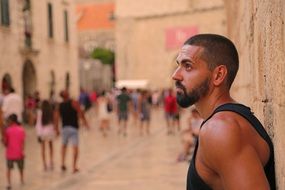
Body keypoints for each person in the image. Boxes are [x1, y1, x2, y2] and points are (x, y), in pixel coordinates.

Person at [172, 34, 275, 189]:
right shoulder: (226, 122)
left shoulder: (221, 129)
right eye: (178, 65)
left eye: (188, 66)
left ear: (218, 75)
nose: (175, 75)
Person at [56, 90, 89, 173]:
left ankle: (63, 163)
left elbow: (56, 117)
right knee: (75, 147)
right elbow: (80, 112)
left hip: (64, 128)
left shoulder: (60, 105)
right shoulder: (73, 102)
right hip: (73, 127)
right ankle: (74, 166)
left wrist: (56, 129)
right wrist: (85, 123)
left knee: (64, 146)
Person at [35, 100, 59, 171]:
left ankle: (44, 164)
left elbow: (38, 124)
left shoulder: (40, 113)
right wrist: (56, 130)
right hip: (50, 131)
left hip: (43, 132)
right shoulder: (51, 112)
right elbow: (54, 122)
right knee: (51, 147)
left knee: (43, 149)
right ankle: (51, 162)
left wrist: (38, 134)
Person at [3, 114, 25, 190]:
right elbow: (22, 143)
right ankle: (21, 179)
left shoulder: (8, 130)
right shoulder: (21, 130)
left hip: (10, 154)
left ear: (11, 121)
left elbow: (6, 143)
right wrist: (23, 152)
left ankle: (9, 183)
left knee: (9, 169)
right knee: (21, 168)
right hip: (19, 153)